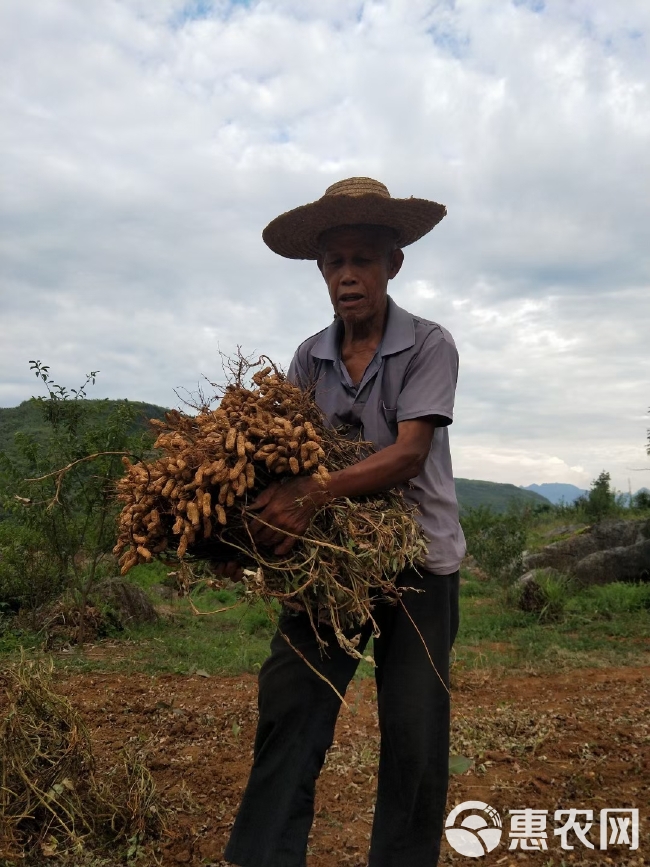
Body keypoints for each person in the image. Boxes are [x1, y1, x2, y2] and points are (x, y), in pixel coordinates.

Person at [224, 177, 465, 867]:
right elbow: (282, 454)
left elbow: (409, 454)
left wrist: (313, 492)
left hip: (420, 562)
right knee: (290, 703)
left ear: (394, 262)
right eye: (335, 262)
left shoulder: (428, 345)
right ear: (321, 271)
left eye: (364, 258)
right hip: (332, 557)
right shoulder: (310, 358)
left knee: (415, 731)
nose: (349, 276)